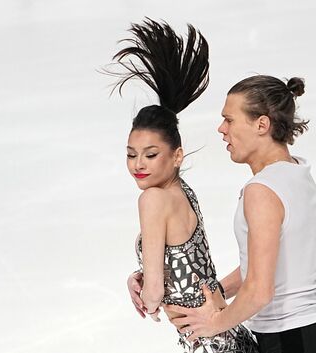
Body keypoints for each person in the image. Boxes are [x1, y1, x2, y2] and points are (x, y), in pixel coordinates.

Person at [128, 75, 316, 353]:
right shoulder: (295, 171)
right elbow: (265, 266)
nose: (222, 129)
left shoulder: (262, 191)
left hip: (292, 339)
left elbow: (259, 291)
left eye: (229, 119)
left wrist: (213, 323)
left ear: (261, 125)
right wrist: (210, 293)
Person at [111, 19, 259, 353]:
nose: (139, 164)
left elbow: (153, 297)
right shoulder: (182, 192)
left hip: (208, 341)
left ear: (177, 155)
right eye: (131, 155)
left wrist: (142, 289)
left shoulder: (152, 199)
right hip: (232, 334)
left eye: (151, 154)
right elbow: (181, 265)